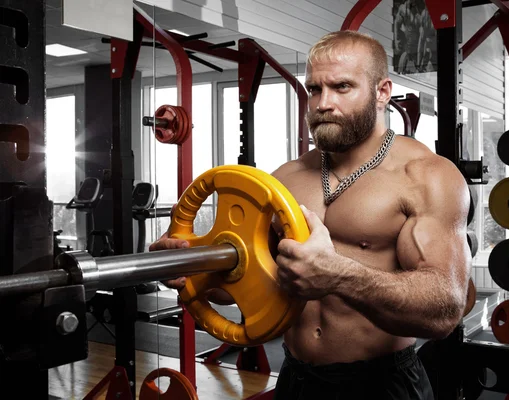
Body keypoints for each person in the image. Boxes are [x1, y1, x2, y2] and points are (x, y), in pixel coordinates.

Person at [150, 30, 471, 400]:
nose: (323, 103)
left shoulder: (426, 176)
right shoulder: (285, 179)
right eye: (315, 89)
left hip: (381, 384)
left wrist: (341, 277)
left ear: (382, 92)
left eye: (342, 87)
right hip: (297, 379)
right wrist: (193, 271)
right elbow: (241, 286)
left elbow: (444, 310)